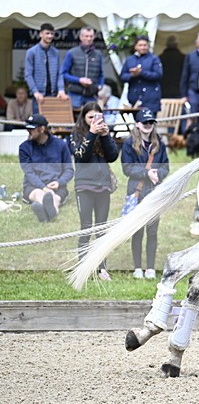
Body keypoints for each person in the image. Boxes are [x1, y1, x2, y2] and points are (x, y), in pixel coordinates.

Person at [70, 102, 120, 281]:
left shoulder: (104, 134)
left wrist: (105, 136)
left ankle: (102, 268)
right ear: (84, 118)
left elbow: (113, 156)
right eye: (91, 117)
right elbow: (81, 156)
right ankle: (83, 267)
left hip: (103, 186)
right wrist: (91, 133)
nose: (95, 121)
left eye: (98, 117)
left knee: (101, 228)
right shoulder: (76, 134)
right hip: (84, 187)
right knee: (85, 228)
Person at [122, 109, 170, 279]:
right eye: (145, 122)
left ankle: (150, 267)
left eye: (151, 122)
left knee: (152, 232)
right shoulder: (129, 144)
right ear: (137, 124)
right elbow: (127, 168)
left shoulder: (160, 144)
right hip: (138, 191)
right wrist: (146, 173)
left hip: (154, 191)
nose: (148, 125)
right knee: (137, 231)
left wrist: (158, 174)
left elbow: (166, 166)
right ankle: (137, 267)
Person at [18, 114, 74, 223]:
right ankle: (48, 213)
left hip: (57, 186)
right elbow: (29, 173)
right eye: (27, 129)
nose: (28, 131)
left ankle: (48, 215)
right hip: (33, 186)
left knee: (55, 199)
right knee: (38, 194)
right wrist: (43, 187)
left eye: (31, 129)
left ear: (42, 129)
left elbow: (69, 170)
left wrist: (59, 182)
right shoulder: (24, 148)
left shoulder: (61, 145)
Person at [24, 23, 68, 114]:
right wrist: (35, 92)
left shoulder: (56, 52)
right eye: (47, 33)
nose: (50, 36)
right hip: (39, 96)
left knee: (53, 123)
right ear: (41, 34)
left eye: (52, 34)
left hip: (53, 95)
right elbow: (28, 74)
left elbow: (59, 73)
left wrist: (61, 90)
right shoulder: (31, 52)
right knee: (38, 125)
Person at [61, 26, 104, 108]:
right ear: (81, 37)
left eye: (91, 36)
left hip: (91, 95)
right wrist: (79, 80)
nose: (89, 38)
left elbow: (101, 74)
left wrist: (100, 86)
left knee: (91, 118)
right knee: (74, 119)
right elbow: (64, 74)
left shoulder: (98, 55)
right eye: (86, 36)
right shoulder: (72, 53)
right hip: (74, 94)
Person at [120, 36, 163, 113]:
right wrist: (132, 75)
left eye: (145, 45)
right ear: (135, 46)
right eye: (140, 45)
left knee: (149, 123)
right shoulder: (129, 60)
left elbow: (158, 75)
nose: (142, 47)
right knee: (137, 123)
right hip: (134, 98)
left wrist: (142, 73)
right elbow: (122, 77)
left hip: (150, 99)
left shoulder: (154, 58)